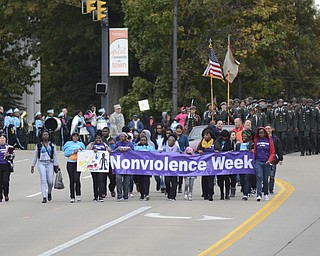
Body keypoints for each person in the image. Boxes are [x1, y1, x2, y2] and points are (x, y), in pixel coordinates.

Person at [31, 130, 60, 203]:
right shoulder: (39, 145)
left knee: (50, 181)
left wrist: (56, 165)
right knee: (43, 180)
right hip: (41, 163)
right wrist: (32, 165)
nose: (45, 136)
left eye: (47, 134)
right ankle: (44, 196)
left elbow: (55, 155)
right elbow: (35, 155)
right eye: (44, 135)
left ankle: (49, 192)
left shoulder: (52, 145)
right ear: (41, 136)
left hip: (50, 163)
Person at [86, 133, 111, 202]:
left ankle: (100, 196)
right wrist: (92, 151)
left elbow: (109, 151)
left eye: (99, 138)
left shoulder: (104, 145)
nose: (98, 140)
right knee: (95, 181)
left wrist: (108, 151)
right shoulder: (91, 145)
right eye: (97, 138)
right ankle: (95, 196)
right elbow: (86, 152)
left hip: (102, 167)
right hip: (94, 166)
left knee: (101, 180)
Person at [62, 132, 86, 203]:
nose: (75, 138)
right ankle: (72, 196)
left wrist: (81, 151)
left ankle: (78, 193)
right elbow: (65, 154)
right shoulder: (68, 144)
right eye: (74, 137)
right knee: (71, 180)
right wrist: (73, 151)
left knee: (77, 178)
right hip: (70, 163)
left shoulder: (81, 144)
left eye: (76, 137)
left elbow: (85, 152)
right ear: (72, 137)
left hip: (78, 163)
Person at [253, 127, 275, 202]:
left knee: (265, 178)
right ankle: (259, 194)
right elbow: (255, 151)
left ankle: (265, 193)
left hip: (266, 162)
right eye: (260, 133)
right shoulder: (256, 141)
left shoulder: (269, 141)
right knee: (259, 177)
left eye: (262, 132)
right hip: (258, 161)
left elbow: (272, 152)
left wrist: (269, 160)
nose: (261, 134)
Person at [197, 128, 218, 201]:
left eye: (207, 135)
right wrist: (199, 151)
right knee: (204, 179)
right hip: (204, 164)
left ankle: (210, 194)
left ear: (210, 136)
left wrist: (216, 152)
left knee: (211, 180)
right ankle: (205, 193)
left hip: (212, 164)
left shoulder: (214, 142)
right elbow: (198, 150)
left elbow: (219, 151)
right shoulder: (201, 143)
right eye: (204, 135)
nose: (205, 136)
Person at [113, 132, 134, 201]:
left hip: (127, 164)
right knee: (118, 179)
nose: (121, 138)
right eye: (120, 136)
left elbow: (134, 153)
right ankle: (119, 195)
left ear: (126, 137)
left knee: (126, 181)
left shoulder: (130, 144)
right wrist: (118, 149)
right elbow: (113, 152)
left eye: (122, 136)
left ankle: (125, 195)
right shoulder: (117, 144)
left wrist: (128, 150)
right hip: (119, 164)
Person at [134, 135, 154, 200]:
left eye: (144, 140)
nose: (143, 141)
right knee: (140, 181)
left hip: (147, 166)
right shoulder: (136, 148)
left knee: (147, 180)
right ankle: (142, 194)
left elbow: (154, 154)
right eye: (142, 140)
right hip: (139, 167)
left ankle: (147, 194)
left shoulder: (150, 148)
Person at [214, 130, 233, 200]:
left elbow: (232, 150)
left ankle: (227, 193)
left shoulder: (229, 142)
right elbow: (215, 148)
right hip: (219, 162)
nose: (225, 138)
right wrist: (216, 151)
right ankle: (222, 192)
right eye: (223, 137)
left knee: (227, 179)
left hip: (227, 163)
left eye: (226, 137)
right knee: (220, 180)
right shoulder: (217, 141)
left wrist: (230, 152)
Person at [235, 130, 254, 200]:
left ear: (248, 137)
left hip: (248, 164)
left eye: (245, 136)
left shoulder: (251, 144)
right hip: (240, 164)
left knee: (246, 178)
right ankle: (245, 191)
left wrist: (250, 151)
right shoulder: (238, 145)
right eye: (243, 136)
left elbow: (254, 153)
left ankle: (246, 194)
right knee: (242, 179)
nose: (244, 137)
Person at [265, 125, 283, 195]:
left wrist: (280, 158)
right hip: (264, 158)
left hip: (273, 159)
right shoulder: (262, 138)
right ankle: (265, 188)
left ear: (272, 129)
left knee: (272, 175)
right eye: (266, 129)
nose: (267, 130)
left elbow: (279, 149)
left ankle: (271, 189)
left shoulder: (275, 139)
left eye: (269, 129)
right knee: (265, 175)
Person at [163, 134, 180, 201]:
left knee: (174, 182)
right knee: (167, 181)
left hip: (174, 167)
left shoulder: (177, 148)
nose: (169, 142)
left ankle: (173, 195)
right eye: (169, 140)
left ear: (174, 142)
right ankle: (168, 192)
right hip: (167, 167)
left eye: (171, 140)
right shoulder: (165, 148)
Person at [0, 134, 14, 202]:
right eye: (1, 139)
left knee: (5, 181)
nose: (2, 140)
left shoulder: (9, 147)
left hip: (6, 166)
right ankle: (0, 196)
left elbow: (12, 156)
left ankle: (6, 194)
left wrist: (9, 155)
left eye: (3, 139)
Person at [175, 125, 189, 193]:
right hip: (174, 155)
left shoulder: (185, 137)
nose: (178, 132)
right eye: (177, 131)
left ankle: (180, 186)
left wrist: (186, 152)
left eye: (180, 131)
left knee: (180, 172)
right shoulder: (173, 137)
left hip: (182, 155)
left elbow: (187, 146)